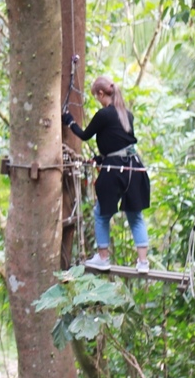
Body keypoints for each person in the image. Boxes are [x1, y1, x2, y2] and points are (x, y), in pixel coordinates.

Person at [62, 76, 151, 274]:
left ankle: (103, 258)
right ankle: (143, 262)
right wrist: (103, 159)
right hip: (134, 167)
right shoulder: (127, 114)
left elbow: (85, 135)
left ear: (101, 94)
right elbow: (119, 142)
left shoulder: (104, 114)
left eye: (97, 97)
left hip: (115, 170)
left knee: (101, 214)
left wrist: (69, 121)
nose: (98, 101)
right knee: (135, 216)